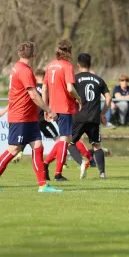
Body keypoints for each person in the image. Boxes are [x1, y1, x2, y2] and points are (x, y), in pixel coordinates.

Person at [0, 41, 61, 193]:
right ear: (33, 55)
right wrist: (49, 109)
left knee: (38, 147)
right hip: (21, 117)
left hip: (30, 118)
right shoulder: (24, 71)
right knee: (13, 150)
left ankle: (43, 185)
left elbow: (17, 94)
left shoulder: (16, 68)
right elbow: (33, 95)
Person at [42, 39, 83, 181]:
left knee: (66, 139)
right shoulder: (67, 66)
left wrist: (45, 107)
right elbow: (70, 88)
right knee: (65, 139)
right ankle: (58, 173)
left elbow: (45, 87)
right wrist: (78, 98)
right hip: (64, 106)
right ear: (69, 51)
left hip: (54, 106)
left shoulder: (50, 66)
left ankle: (45, 164)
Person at [68, 53, 112, 179]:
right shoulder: (99, 80)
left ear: (78, 65)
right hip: (94, 117)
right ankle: (102, 173)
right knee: (96, 145)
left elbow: (69, 91)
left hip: (79, 116)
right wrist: (102, 113)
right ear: (90, 65)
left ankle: (82, 163)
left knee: (70, 143)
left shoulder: (75, 79)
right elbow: (108, 98)